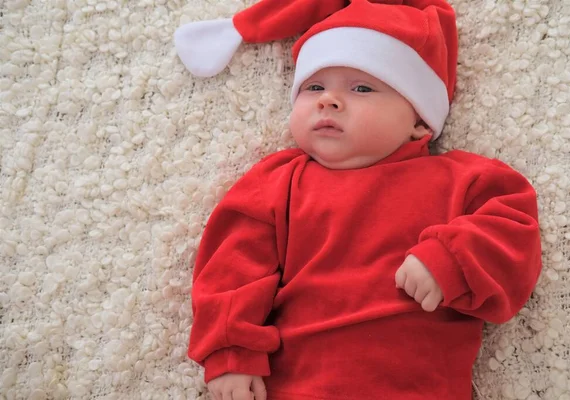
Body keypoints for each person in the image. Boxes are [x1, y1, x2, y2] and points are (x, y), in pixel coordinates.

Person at [174, 1, 543, 399]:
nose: (327, 100)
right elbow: (232, 268)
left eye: (362, 87)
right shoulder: (279, 182)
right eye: (314, 86)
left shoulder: (460, 179)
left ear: (420, 122)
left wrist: (454, 259)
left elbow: (515, 231)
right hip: (297, 385)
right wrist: (230, 351)